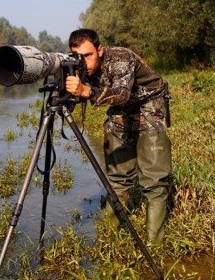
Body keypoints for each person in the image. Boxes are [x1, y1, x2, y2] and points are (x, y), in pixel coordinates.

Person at [65, 28, 172, 245]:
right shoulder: (77, 68)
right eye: (78, 57)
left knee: (154, 180)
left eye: (88, 55)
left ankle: (154, 245)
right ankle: (108, 237)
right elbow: (76, 99)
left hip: (148, 103)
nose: (84, 62)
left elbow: (122, 95)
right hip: (121, 108)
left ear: (100, 50)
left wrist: (87, 92)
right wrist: (64, 91)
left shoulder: (120, 57)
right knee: (117, 178)